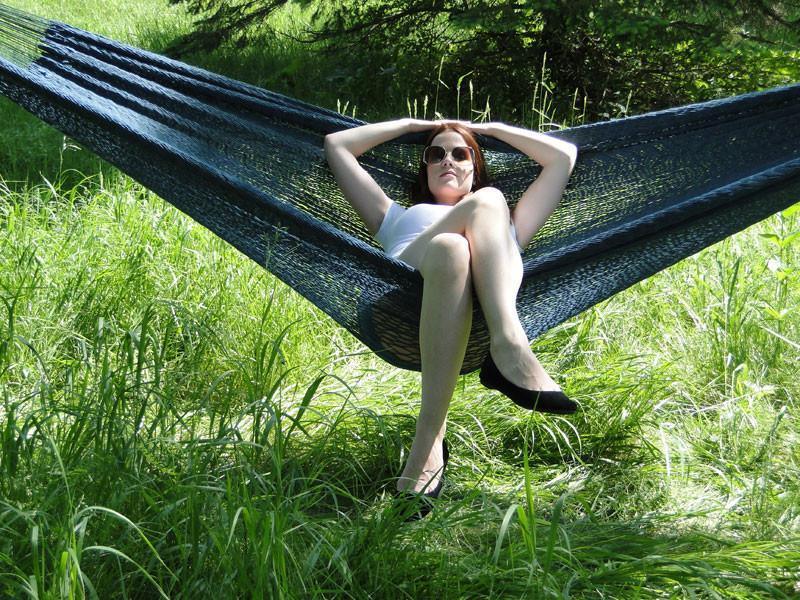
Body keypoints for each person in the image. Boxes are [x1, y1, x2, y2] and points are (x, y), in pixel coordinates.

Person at [324, 118, 578, 506]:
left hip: (467, 317)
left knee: (454, 246)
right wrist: (415, 124)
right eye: (435, 154)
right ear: (424, 168)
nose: (448, 160)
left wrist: (491, 129)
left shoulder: (505, 227)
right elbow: (337, 145)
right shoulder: (393, 216)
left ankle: (427, 446)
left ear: (474, 167)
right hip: (401, 304)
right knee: (476, 212)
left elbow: (563, 157)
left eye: (461, 154)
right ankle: (508, 347)